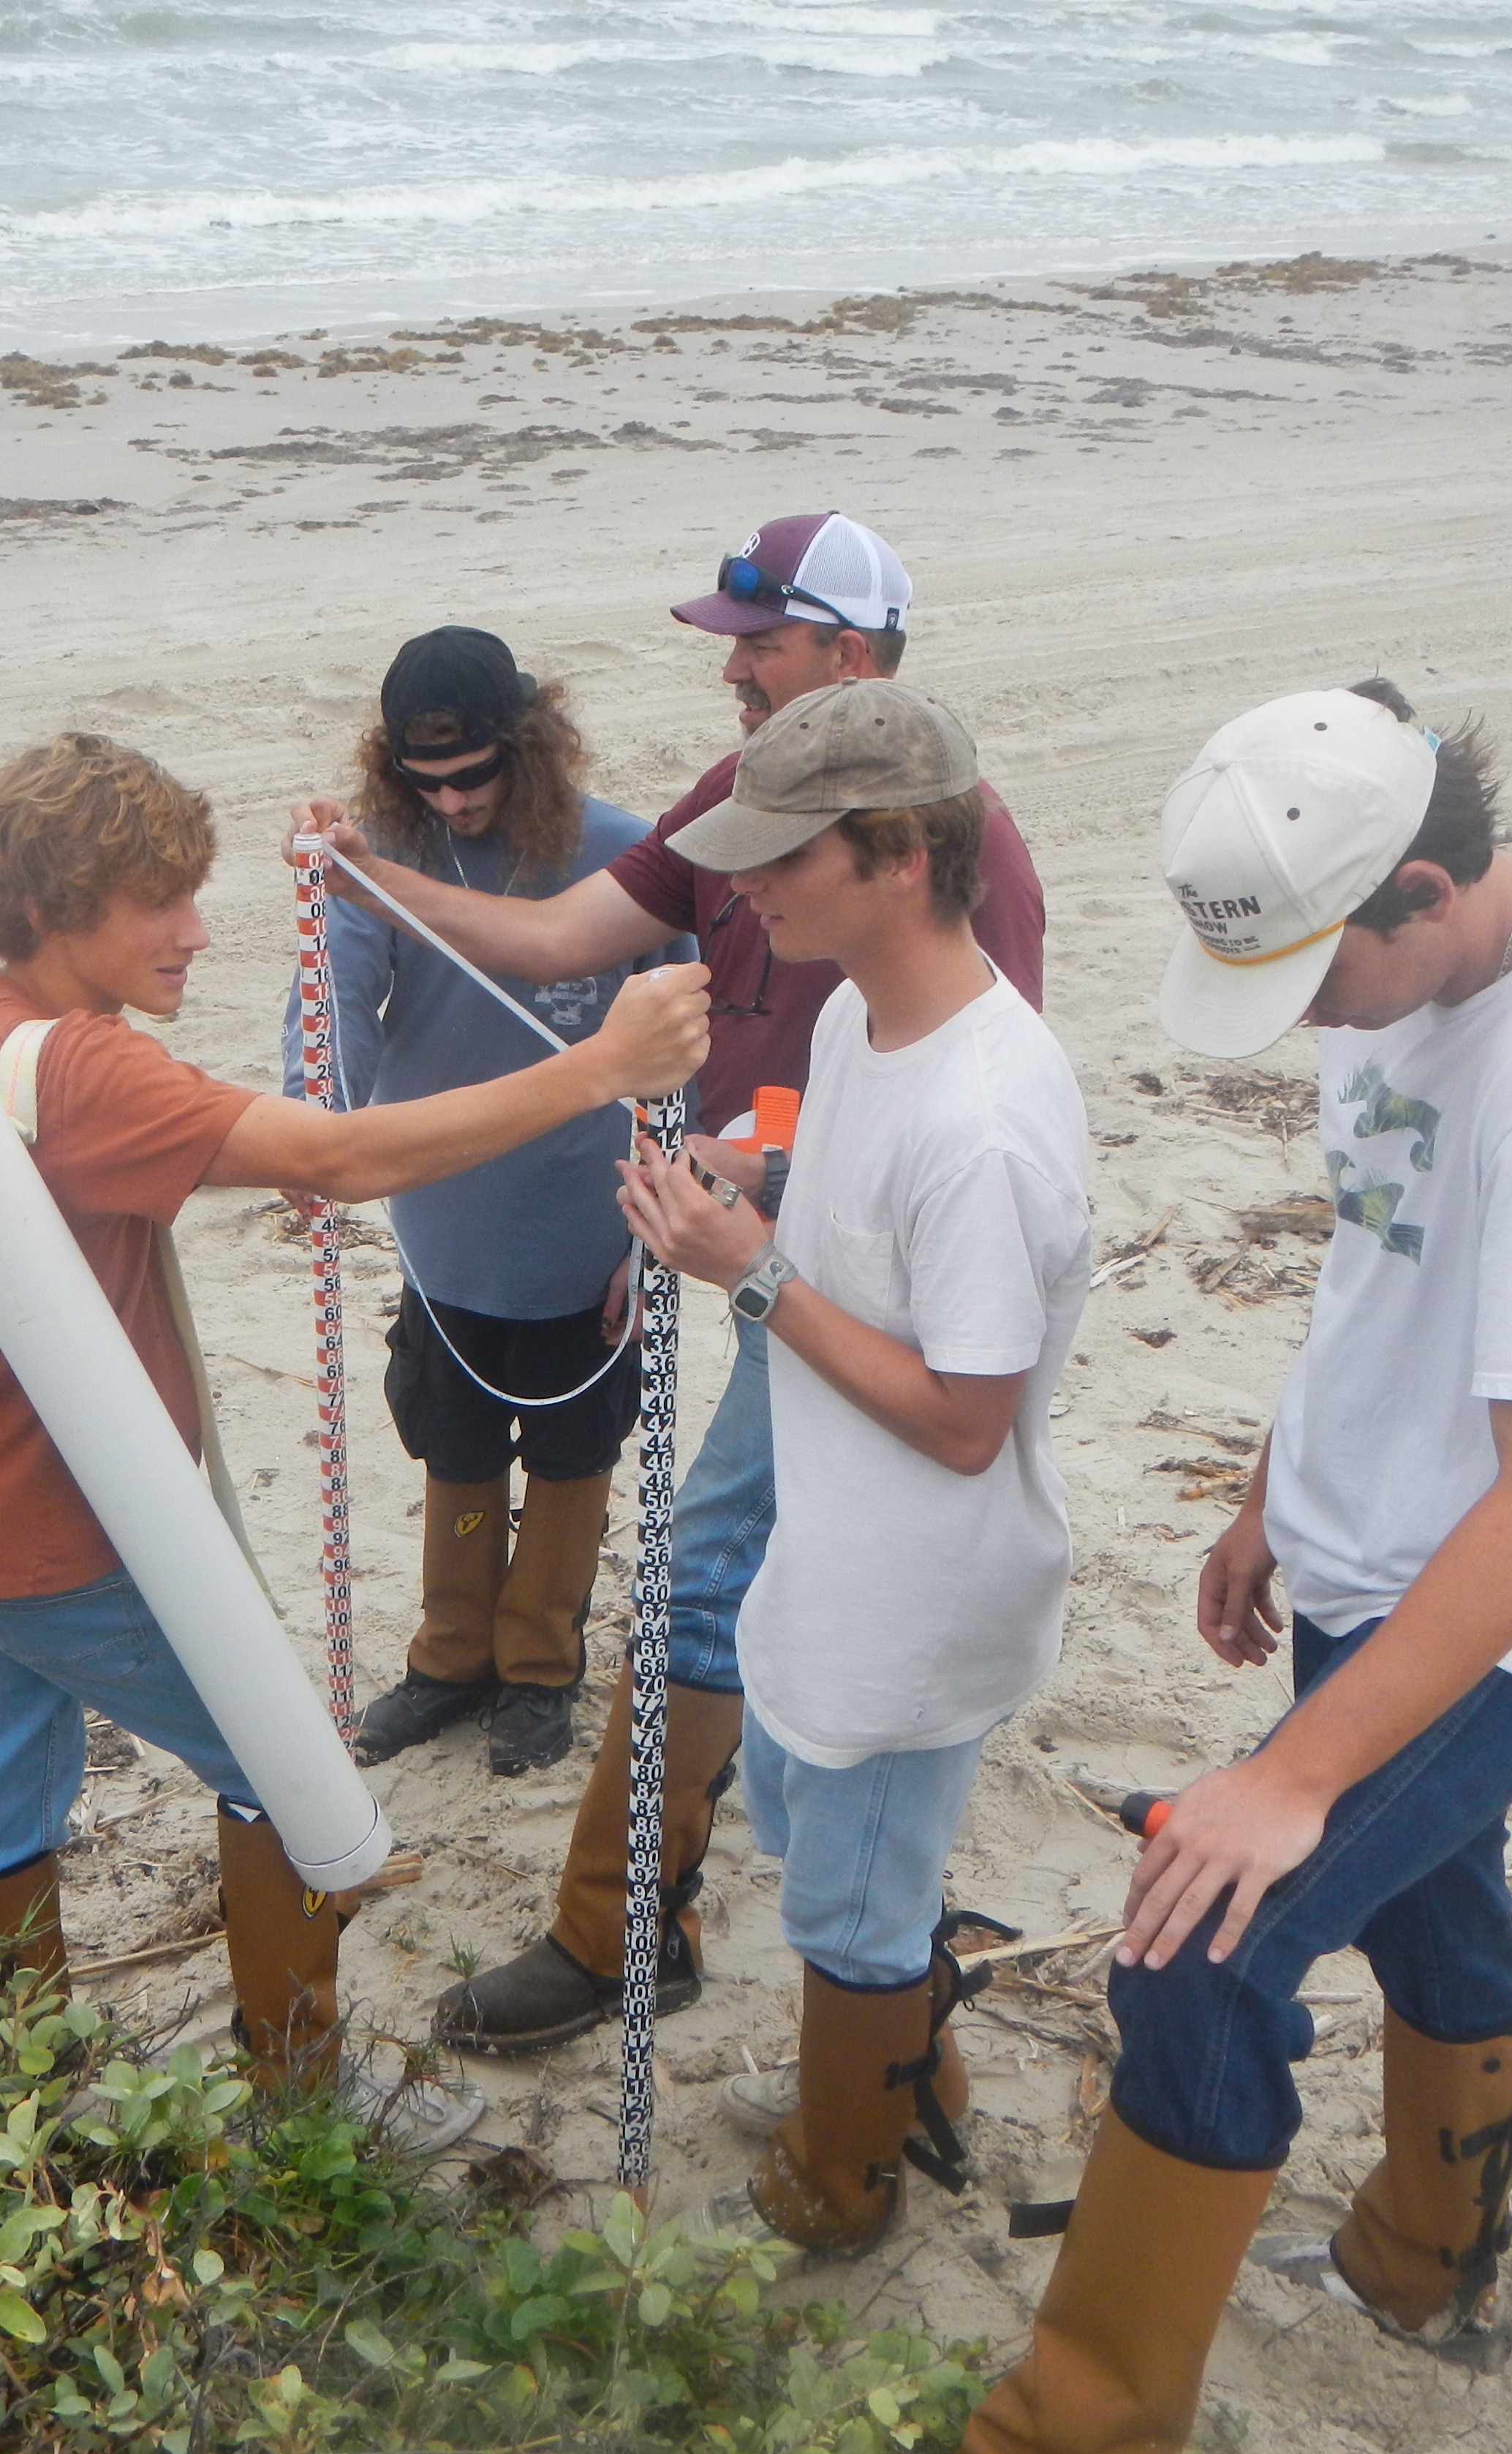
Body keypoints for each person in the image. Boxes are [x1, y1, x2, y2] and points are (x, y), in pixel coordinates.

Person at [938, 685, 1512, 2454]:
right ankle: (1422, 2266)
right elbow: (1385, 1266)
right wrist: (1272, 1496)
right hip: (1373, 1543)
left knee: (1198, 1947)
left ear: (1431, 892)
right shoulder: (1387, 974)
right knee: (1433, 1911)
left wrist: (1291, 1773)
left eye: (1319, 981)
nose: (1301, 1021)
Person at [0, 732, 708, 2152]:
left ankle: (18, 2104)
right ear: (52, 913)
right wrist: (600, 1064)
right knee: (283, 1774)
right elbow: (337, 1159)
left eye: (193, 891)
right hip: (59, 1532)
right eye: (154, 902)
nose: (193, 929)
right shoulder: (83, 1072)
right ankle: (301, 2096)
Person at [317, 513, 1051, 2056]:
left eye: (757, 640)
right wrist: (372, 883)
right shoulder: (749, 803)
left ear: (846, 654)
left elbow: (944, 1168)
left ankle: (630, 1933)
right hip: (775, 1261)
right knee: (715, 1584)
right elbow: (558, 940)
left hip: (846, 1308)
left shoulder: (965, 892)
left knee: (710, 1583)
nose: (729, 668)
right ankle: (660, 1910)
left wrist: (746, 1230)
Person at [610, 682, 1090, 2254]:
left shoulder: (989, 1117)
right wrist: (758, 1176)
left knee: (850, 1914)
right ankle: (904, 2081)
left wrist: (746, 1270)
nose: (743, 890)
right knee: (809, 1840)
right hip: (832, 1554)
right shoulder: (852, 1013)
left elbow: (967, 1417)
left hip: (916, 1594)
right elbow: (851, 1186)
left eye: (780, 859)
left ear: (895, 855)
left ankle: (844, 2187)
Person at [284, 627, 679, 1778]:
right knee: (454, 1449)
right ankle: (452, 1659)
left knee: (570, 1455)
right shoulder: (385, 861)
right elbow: (336, 1006)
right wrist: (310, 1127)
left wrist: (657, 1224)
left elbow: (690, 1054)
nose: (452, 804)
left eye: (476, 776)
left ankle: (541, 1666)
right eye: (427, 781)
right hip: (448, 1234)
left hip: (586, 1231)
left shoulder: (624, 858)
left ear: (534, 746)